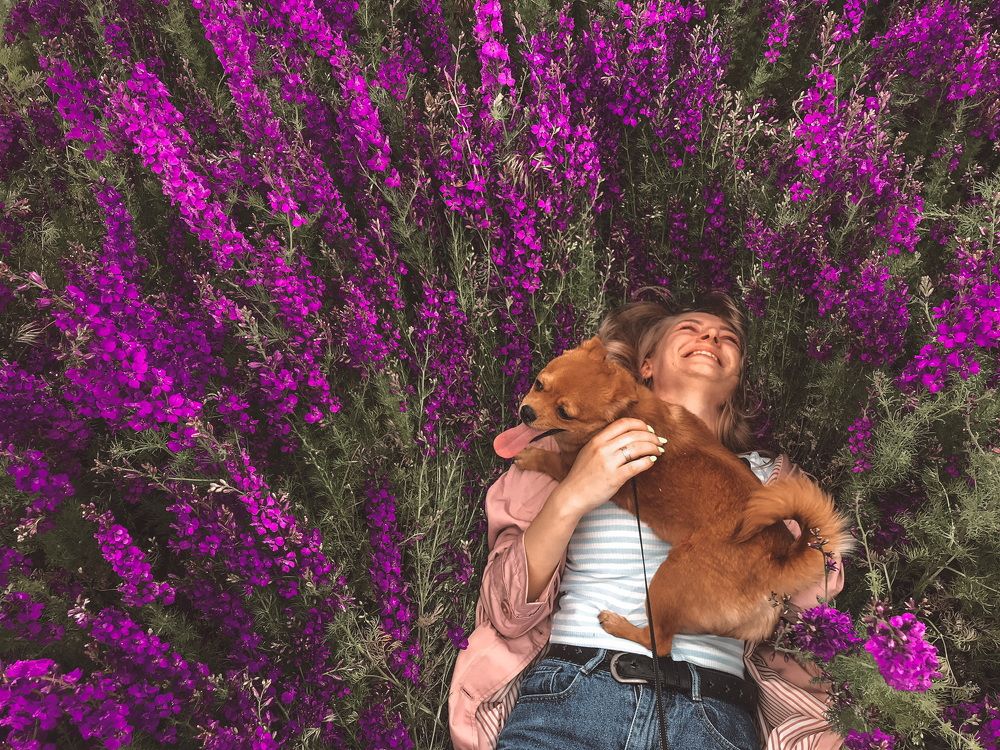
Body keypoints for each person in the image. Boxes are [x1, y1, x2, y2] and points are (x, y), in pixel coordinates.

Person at [449, 289, 846, 750]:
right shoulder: (558, 453)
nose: (709, 337)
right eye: (689, 329)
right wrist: (572, 493)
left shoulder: (773, 479)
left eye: (727, 338)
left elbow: (804, 622)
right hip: (575, 693)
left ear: (736, 382)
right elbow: (507, 610)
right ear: (646, 365)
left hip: (711, 712)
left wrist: (804, 570)